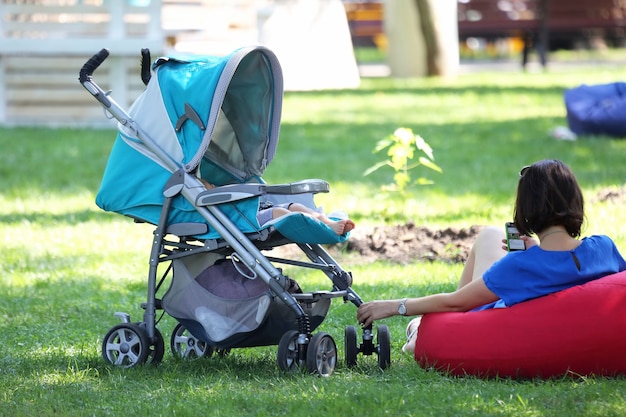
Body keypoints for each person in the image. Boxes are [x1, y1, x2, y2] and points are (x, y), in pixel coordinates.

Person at [356, 159, 626, 353]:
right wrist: (538, 251)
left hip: (502, 324)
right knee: (489, 236)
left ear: (526, 210)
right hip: (572, 319)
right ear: (575, 202)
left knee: (435, 323)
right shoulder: (603, 247)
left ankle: (420, 332)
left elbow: (455, 303)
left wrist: (395, 306)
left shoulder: (520, 266)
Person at [200, 179, 355, 235]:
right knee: (283, 212)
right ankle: (315, 226)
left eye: (213, 186)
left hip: (263, 208)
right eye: (209, 188)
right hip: (250, 220)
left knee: (296, 206)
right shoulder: (215, 209)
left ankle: (327, 222)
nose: (214, 188)